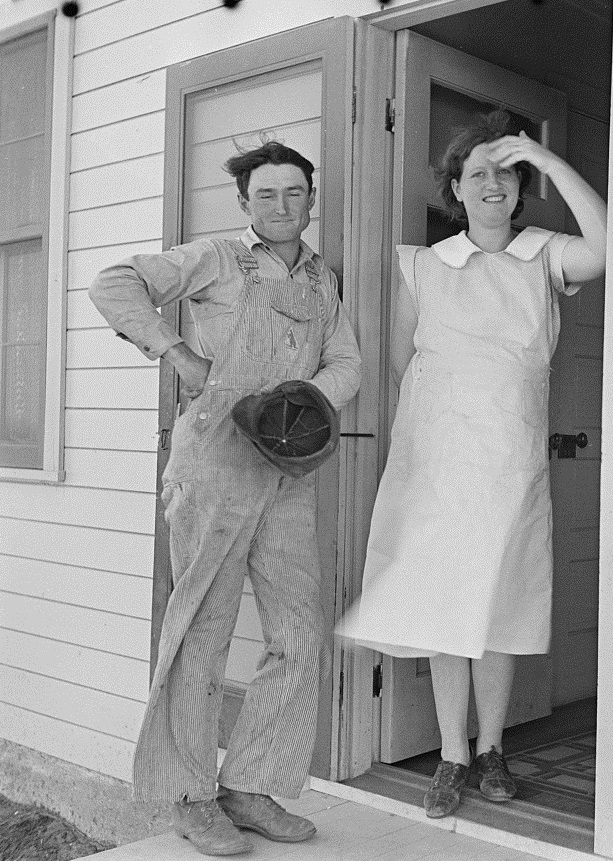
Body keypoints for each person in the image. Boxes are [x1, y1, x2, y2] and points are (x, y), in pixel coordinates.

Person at [89, 142, 361, 856]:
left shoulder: (321, 280)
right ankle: (190, 796)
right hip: (214, 462)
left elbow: (346, 360)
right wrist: (176, 352)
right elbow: (114, 282)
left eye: (295, 193)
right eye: (266, 194)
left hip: (288, 469)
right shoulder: (216, 258)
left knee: (298, 632)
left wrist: (301, 402)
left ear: (311, 199)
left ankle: (249, 786)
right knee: (203, 632)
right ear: (245, 203)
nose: (282, 206)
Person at [337, 111, 606, 819]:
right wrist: (437, 434)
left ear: (521, 187)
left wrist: (550, 162)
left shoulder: (545, 256)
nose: (493, 183)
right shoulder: (424, 265)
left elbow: (610, 247)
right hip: (437, 459)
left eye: (507, 172)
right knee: (443, 598)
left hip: (510, 460)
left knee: (502, 598)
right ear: (455, 187)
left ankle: (492, 749)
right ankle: (453, 753)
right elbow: (405, 359)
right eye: (477, 172)